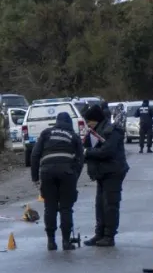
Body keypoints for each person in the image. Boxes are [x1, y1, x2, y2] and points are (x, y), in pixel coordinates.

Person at [30, 111, 85, 251]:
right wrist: (75, 176)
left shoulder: (46, 133)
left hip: (47, 173)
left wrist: (35, 177)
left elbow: (35, 155)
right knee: (66, 208)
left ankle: (51, 242)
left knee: (50, 207)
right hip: (67, 173)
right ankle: (66, 242)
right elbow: (80, 159)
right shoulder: (74, 136)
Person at [81, 105, 129, 247]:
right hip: (101, 173)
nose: (88, 124)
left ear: (96, 119)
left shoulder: (111, 130)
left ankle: (109, 236)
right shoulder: (94, 131)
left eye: (89, 121)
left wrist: (87, 152)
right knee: (100, 204)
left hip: (113, 172)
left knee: (110, 204)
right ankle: (99, 233)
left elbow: (107, 151)